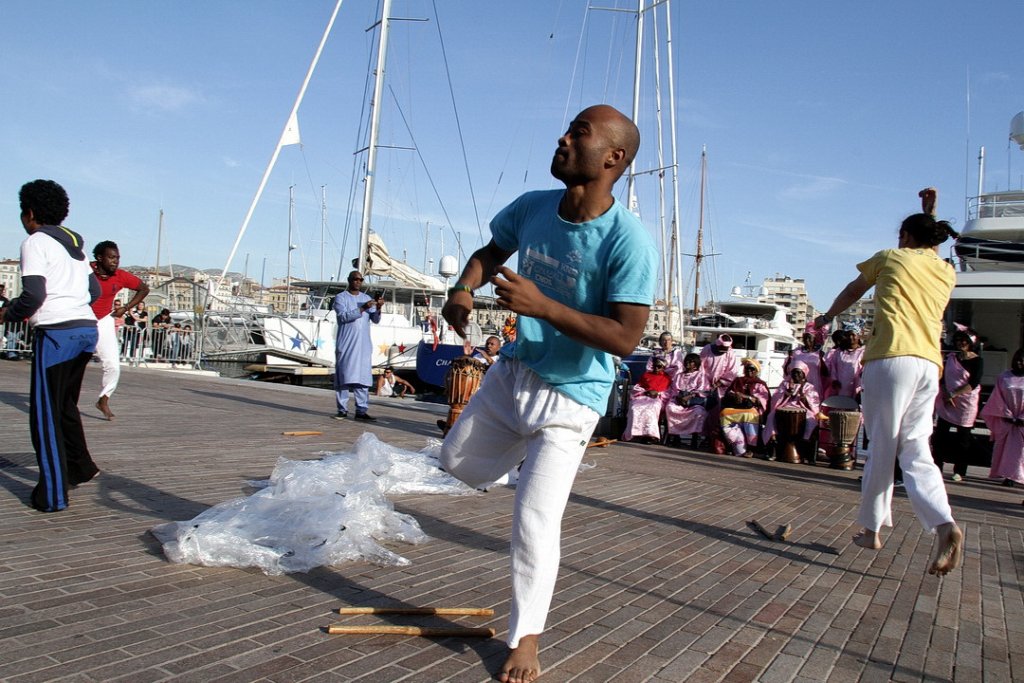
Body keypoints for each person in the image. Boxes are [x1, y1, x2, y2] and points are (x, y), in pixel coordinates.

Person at [438, 104, 656, 683]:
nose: (562, 138)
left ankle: (526, 637)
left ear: (613, 158)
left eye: (578, 133)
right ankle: (526, 469)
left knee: (534, 523)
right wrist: (463, 289)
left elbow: (627, 338)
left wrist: (545, 307)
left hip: (575, 396)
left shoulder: (628, 240)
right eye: (566, 128)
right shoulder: (534, 207)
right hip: (514, 373)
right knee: (454, 461)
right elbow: (490, 253)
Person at [814, 187, 963, 576]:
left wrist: (828, 315)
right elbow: (929, 250)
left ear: (906, 239)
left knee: (881, 444)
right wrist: (929, 212)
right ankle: (944, 524)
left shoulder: (889, 257)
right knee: (915, 448)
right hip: (930, 364)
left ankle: (871, 529)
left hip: (891, 359)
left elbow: (853, 289)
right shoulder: (945, 270)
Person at [0, 180, 100, 512]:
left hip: (58, 333)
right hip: (86, 330)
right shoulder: (77, 247)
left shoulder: (35, 242)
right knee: (65, 407)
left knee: (45, 417)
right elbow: (95, 293)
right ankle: (80, 467)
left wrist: (9, 313)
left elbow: (33, 295)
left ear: (29, 212)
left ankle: (53, 495)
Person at [89, 240, 150, 420]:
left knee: (113, 366)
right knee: (73, 362)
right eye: (111, 257)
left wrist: (126, 307)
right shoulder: (85, 271)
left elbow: (143, 289)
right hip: (81, 318)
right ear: (99, 258)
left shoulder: (120, 276)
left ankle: (104, 399)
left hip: (103, 320)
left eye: (118, 258)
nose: (115, 261)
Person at [932, 328, 983, 482]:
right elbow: (941, 377)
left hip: (965, 403)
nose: (960, 343)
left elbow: (973, 383)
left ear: (970, 343)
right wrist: (947, 393)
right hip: (947, 400)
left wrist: (955, 394)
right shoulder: (950, 357)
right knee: (940, 436)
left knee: (963, 439)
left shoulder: (977, 360)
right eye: (958, 340)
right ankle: (937, 466)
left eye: (964, 341)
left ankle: (959, 470)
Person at [333, 270, 383, 420]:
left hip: (363, 344)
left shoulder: (366, 298)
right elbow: (343, 317)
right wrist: (362, 308)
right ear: (349, 280)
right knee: (344, 376)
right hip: (347, 342)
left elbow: (375, 319)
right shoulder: (341, 298)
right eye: (355, 279)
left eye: (360, 279)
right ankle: (342, 409)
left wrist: (379, 307)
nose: (358, 281)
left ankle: (361, 410)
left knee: (362, 378)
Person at [763, 360, 821, 463]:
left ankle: (809, 453)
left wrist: (804, 399)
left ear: (804, 374)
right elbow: (775, 398)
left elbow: (815, 403)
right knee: (771, 416)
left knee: (811, 420)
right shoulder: (785, 384)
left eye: (799, 372)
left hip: (804, 410)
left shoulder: (809, 386)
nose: (796, 375)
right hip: (785, 407)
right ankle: (772, 449)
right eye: (794, 372)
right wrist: (785, 394)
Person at [982, 348, 1024, 487]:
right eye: (1018, 358)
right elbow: (997, 397)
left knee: (1020, 450)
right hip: (1007, 418)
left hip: (1022, 422)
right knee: (1007, 449)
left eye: (1023, 360)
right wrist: (1006, 414)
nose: (1020, 362)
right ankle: (1008, 475)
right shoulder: (1004, 377)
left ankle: (1017, 475)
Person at [719, 358, 771, 457]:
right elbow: (728, 394)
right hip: (736, 408)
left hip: (751, 410)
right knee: (724, 414)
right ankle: (736, 445)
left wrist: (745, 397)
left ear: (756, 371)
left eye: (752, 369)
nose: (749, 371)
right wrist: (734, 396)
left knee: (750, 414)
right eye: (747, 368)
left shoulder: (760, 384)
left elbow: (762, 400)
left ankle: (751, 447)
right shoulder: (738, 381)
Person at [701, 334, 742, 454]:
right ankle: (706, 437)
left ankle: (716, 438)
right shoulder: (707, 349)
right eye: (723, 348)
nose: (725, 350)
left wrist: (719, 382)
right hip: (705, 385)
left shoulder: (730, 353)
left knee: (718, 412)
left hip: (722, 388)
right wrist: (705, 383)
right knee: (705, 411)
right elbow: (701, 367)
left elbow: (732, 371)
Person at [664, 352, 710, 448]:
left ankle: (694, 438)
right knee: (670, 407)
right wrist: (679, 397)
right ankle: (676, 437)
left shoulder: (700, 375)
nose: (688, 363)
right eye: (686, 361)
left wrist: (689, 396)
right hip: (679, 400)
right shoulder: (679, 375)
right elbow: (673, 389)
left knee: (698, 411)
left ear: (696, 364)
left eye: (691, 362)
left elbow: (703, 390)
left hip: (693, 402)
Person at [622, 357, 670, 443]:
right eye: (654, 366)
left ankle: (650, 436)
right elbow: (637, 387)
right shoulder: (646, 375)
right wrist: (646, 392)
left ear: (663, 367)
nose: (656, 368)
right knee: (635, 407)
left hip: (657, 399)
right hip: (643, 396)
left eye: (659, 366)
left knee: (651, 409)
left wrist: (658, 393)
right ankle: (635, 434)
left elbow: (668, 392)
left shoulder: (667, 378)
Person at [785, 329, 829, 398]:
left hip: (814, 383)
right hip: (799, 385)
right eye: (805, 338)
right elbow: (788, 370)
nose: (807, 340)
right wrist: (789, 357)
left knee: (813, 403)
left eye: (809, 337)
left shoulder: (818, 353)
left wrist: (821, 358)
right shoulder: (797, 352)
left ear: (814, 339)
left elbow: (825, 373)